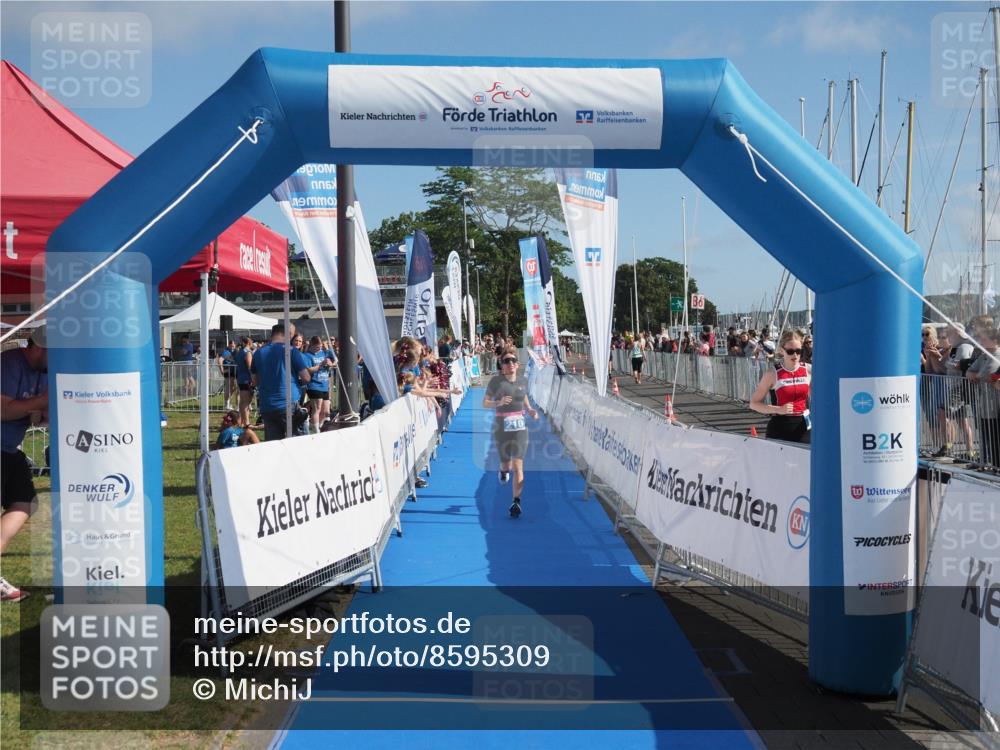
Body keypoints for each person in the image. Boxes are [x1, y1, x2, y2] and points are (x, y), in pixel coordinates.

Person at [1, 329, 48, 601]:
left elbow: (34, 415)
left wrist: (39, 411)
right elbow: (4, 409)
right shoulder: (8, 363)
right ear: (39, 348)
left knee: (25, 502)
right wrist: (41, 402)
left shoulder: (42, 372)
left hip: (9, 449)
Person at [483, 348, 538, 518]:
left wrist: (530, 410)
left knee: (518, 466)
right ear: (502, 365)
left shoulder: (522, 380)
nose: (511, 363)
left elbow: (524, 396)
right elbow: (485, 403)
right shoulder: (495, 382)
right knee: (506, 466)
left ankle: (516, 501)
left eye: (513, 360)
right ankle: (503, 471)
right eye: (507, 361)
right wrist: (498, 402)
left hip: (521, 428)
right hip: (502, 427)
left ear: (517, 363)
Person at [251, 323, 312, 441]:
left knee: (274, 445)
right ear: (287, 335)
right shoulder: (291, 351)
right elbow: (306, 377)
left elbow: (254, 380)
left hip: (267, 405)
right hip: (288, 404)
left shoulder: (259, 352)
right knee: (297, 442)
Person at [749, 330, 811, 444]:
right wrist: (778, 409)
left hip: (804, 427)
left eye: (798, 351)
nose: (795, 355)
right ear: (782, 351)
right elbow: (753, 403)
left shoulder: (809, 370)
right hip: (780, 428)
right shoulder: (772, 373)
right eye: (790, 351)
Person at [303, 336, 337, 433]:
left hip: (324, 385)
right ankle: (316, 430)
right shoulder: (307, 355)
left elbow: (336, 361)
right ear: (312, 345)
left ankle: (317, 425)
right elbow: (309, 370)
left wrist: (331, 364)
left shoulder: (324, 352)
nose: (319, 349)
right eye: (317, 347)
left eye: (320, 347)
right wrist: (321, 364)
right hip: (314, 384)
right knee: (317, 408)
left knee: (326, 411)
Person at [235, 336, 255, 428]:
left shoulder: (240, 352)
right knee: (246, 401)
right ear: (249, 343)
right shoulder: (247, 353)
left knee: (243, 401)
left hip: (241, 377)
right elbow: (250, 367)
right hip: (247, 379)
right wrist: (253, 379)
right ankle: (246, 422)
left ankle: (242, 421)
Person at [218, 340, 238, 409]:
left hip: (234, 372)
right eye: (231, 345)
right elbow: (220, 360)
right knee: (229, 388)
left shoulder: (235, 352)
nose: (233, 347)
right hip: (228, 372)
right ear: (228, 345)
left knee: (233, 388)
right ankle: (226, 404)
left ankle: (228, 403)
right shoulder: (226, 352)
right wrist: (221, 370)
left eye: (233, 345)